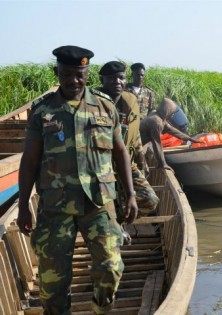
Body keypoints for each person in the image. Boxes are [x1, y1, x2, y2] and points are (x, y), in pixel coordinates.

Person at [17, 45, 138, 314]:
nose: (73, 80)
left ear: (87, 73)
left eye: (79, 74)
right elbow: (29, 161)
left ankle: (99, 310)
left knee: (110, 268)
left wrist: (130, 194)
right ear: (57, 73)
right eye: (66, 74)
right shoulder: (43, 111)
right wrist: (24, 204)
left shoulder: (105, 108)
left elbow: (120, 153)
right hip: (56, 206)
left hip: (98, 203)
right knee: (52, 283)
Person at [98, 61, 159, 217]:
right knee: (104, 204)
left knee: (150, 200)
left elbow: (135, 136)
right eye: (111, 78)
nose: (117, 82)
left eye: (120, 78)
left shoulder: (130, 100)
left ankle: (120, 220)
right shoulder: (93, 103)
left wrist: (141, 162)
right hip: (101, 167)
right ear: (102, 81)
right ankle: (114, 223)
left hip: (127, 163)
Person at [140, 98, 199, 170]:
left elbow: (170, 129)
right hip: (135, 144)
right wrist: (163, 164)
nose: (171, 115)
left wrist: (188, 138)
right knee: (142, 170)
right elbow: (157, 144)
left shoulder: (156, 114)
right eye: (171, 112)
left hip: (139, 143)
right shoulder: (156, 122)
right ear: (167, 111)